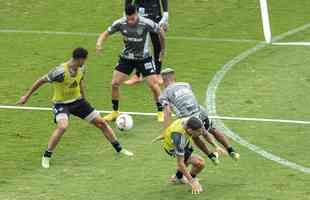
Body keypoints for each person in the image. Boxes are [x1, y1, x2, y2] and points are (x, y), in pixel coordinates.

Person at [16, 48, 133, 169]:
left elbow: (80, 81)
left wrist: (84, 98)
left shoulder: (81, 68)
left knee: (101, 123)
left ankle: (120, 149)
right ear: (80, 59)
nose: (85, 62)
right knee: (63, 126)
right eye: (85, 59)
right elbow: (41, 80)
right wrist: (26, 96)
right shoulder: (59, 71)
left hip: (78, 102)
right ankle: (46, 156)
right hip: (61, 104)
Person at [96, 4, 166, 122]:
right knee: (114, 84)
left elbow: (160, 32)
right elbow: (105, 33)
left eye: (132, 18)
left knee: (153, 85)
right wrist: (99, 44)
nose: (130, 21)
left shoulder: (146, 23)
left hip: (144, 59)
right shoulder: (120, 23)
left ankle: (161, 111)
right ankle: (114, 112)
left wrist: (163, 50)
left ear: (136, 13)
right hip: (126, 58)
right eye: (128, 19)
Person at [159, 68, 240, 161]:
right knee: (212, 129)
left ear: (163, 80)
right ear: (174, 77)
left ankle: (211, 156)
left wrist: (165, 132)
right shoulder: (186, 85)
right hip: (200, 110)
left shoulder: (164, 95)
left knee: (195, 136)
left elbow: (168, 112)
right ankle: (231, 150)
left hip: (187, 117)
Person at [160, 117, 215, 194]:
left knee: (187, 159)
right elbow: (180, 163)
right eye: (198, 131)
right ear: (190, 130)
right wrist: (192, 182)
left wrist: (216, 146)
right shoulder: (179, 138)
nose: (200, 133)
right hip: (172, 148)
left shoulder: (192, 120)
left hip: (184, 142)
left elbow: (172, 126)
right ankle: (190, 178)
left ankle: (178, 177)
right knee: (200, 163)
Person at [124, 0, 169, 85]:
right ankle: (137, 75)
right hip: (138, 12)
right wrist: (126, 12)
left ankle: (158, 73)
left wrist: (166, 13)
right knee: (138, 43)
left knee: (156, 43)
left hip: (154, 12)